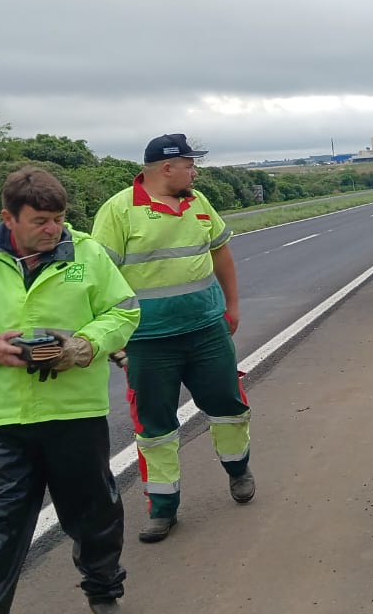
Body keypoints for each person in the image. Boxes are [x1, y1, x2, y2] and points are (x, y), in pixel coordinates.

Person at [0, 166, 139, 613]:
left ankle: (103, 593)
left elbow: (124, 313)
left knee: (94, 515)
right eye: (40, 221)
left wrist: (84, 346)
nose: (52, 229)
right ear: (9, 218)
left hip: (74, 414)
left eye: (58, 219)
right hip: (5, 420)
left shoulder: (87, 254)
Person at [92, 133, 254, 545]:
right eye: (189, 164)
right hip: (147, 342)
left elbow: (221, 253)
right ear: (167, 168)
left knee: (229, 407)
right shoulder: (118, 210)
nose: (195, 171)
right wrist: (115, 343)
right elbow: (98, 281)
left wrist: (232, 306)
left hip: (206, 332)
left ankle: (239, 471)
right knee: (155, 428)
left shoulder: (198, 203)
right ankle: (163, 509)